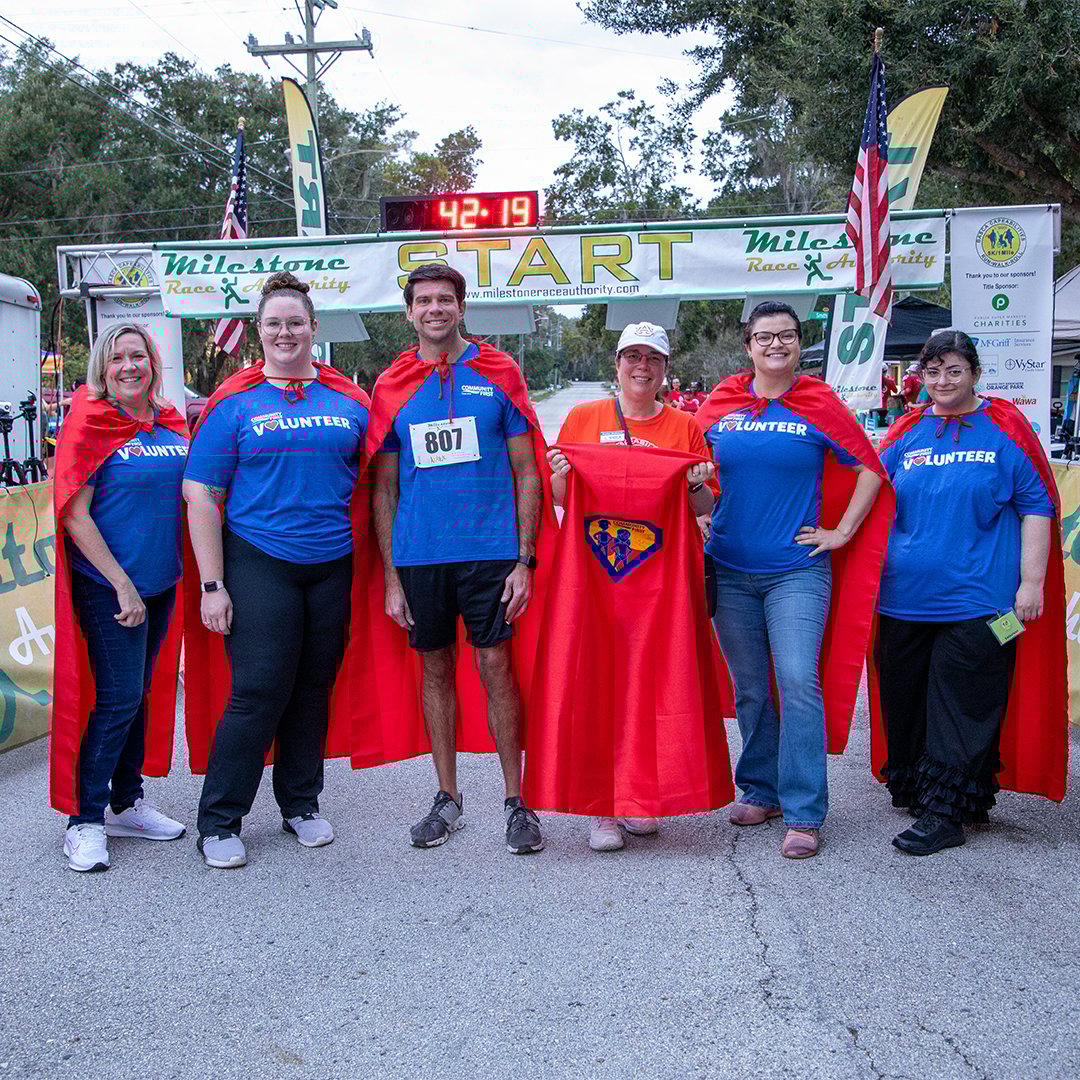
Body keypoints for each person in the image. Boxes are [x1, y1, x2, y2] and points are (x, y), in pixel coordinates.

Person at [184, 272, 371, 869]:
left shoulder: (350, 402)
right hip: (258, 560)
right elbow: (200, 493)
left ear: (314, 329)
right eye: (273, 324)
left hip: (331, 564)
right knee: (259, 690)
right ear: (258, 334)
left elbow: (388, 476)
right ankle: (219, 821)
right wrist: (213, 585)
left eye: (296, 322)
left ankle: (300, 805)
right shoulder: (235, 404)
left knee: (313, 689)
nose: (285, 332)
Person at [696, 301, 891, 860]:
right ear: (748, 345)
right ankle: (761, 789)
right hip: (730, 569)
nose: (775, 345)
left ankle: (804, 810)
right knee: (752, 687)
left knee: (799, 682)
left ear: (799, 344)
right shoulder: (723, 402)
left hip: (797, 572)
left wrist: (841, 532)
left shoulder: (817, 402)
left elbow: (869, 468)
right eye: (764, 336)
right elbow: (691, 472)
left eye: (786, 336)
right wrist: (697, 505)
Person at [369, 263, 550, 855]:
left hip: (491, 552)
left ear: (462, 307)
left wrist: (524, 559)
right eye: (423, 301)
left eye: (445, 300)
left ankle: (515, 801)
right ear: (409, 313)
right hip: (422, 556)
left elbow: (528, 469)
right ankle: (448, 797)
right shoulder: (393, 384)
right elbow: (385, 489)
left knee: (496, 666)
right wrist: (392, 576)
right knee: (435, 669)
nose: (434, 310)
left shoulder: (499, 371)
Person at [872, 330, 1064, 855]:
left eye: (953, 370)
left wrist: (1031, 583)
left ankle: (945, 815)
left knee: (963, 702)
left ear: (975, 373)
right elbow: (866, 488)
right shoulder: (906, 431)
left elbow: (1037, 507)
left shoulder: (1006, 429)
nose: (942, 381)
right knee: (906, 700)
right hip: (902, 598)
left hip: (982, 602)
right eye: (932, 372)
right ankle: (938, 792)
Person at [541, 322, 728, 852]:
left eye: (653, 358)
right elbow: (561, 496)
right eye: (632, 357)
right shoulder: (584, 418)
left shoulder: (685, 427)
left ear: (666, 368)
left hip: (662, 583)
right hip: (597, 580)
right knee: (599, 683)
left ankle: (642, 796)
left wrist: (697, 485)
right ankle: (601, 806)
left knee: (654, 683)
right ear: (616, 363)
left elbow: (704, 505)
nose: (642, 367)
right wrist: (559, 469)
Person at [51, 323, 188, 872]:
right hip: (110, 585)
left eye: (138, 356)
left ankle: (127, 801)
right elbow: (75, 514)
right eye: (117, 360)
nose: (129, 367)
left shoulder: (169, 422)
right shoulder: (89, 420)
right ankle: (84, 820)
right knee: (118, 698)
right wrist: (121, 584)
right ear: (102, 370)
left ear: (153, 363)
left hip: (161, 581)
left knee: (141, 692)